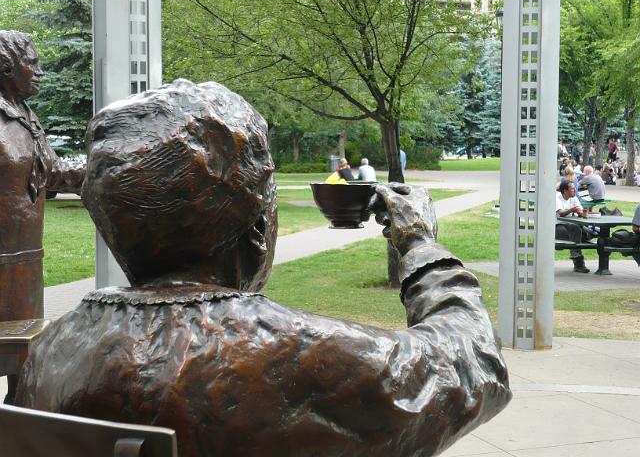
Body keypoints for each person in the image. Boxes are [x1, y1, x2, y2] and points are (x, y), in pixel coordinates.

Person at [16, 80, 511, 457]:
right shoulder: (296, 356)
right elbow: (473, 366)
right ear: (257, 227)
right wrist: (421, 246)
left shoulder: (47, 357)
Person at [0, 31, 83, 403]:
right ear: (6, 66)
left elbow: (51, 172)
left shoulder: (26, 117)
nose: (40, 71)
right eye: (31, 63)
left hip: (25, 264)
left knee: (24, 367)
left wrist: (99, 168)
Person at [556, 181, 592, 273]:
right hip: (557, 227)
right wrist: (572, 210)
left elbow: (579, 210)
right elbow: (561, 213)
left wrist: (580, 213)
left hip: (572, 226)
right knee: (576, 229)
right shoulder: (557, 198)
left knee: (590, 231)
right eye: (572, 188)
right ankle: (579, 264)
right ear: (565, 191)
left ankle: (583, 238)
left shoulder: (574, 198)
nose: (575, 190)